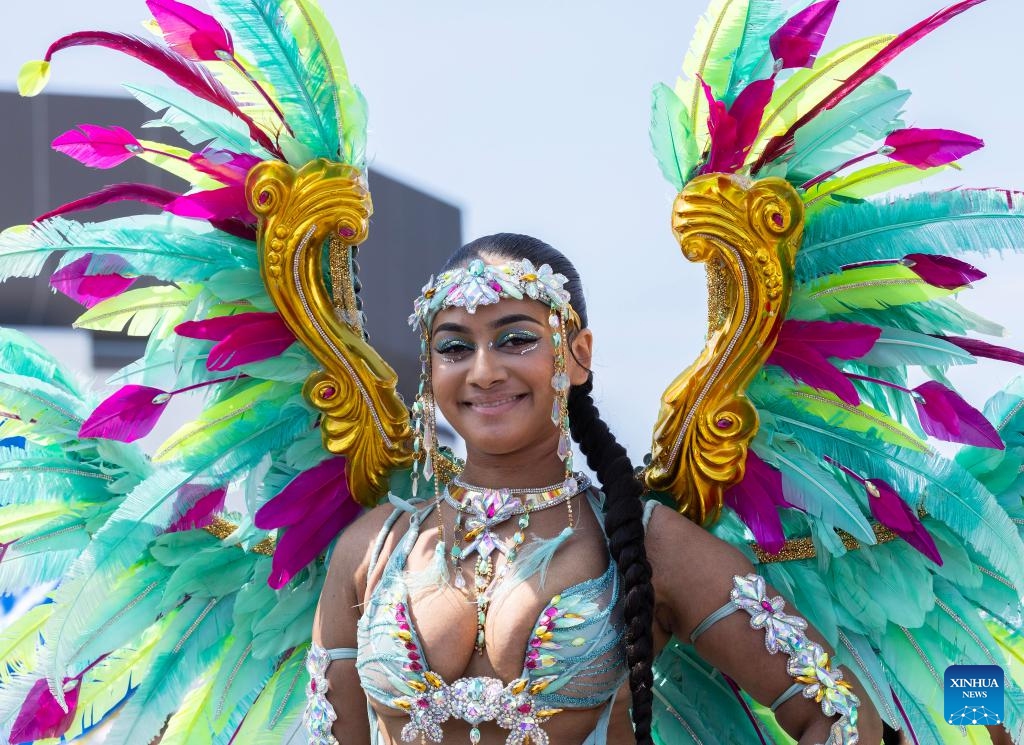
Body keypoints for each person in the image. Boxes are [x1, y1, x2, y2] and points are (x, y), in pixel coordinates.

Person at [308, 233, 884, 745]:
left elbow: (841, 714)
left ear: (578, 355)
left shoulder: (647, 544)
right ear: (430, 370)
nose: (483, 371)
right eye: (454, 347)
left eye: (515, 339)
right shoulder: (373, 551)